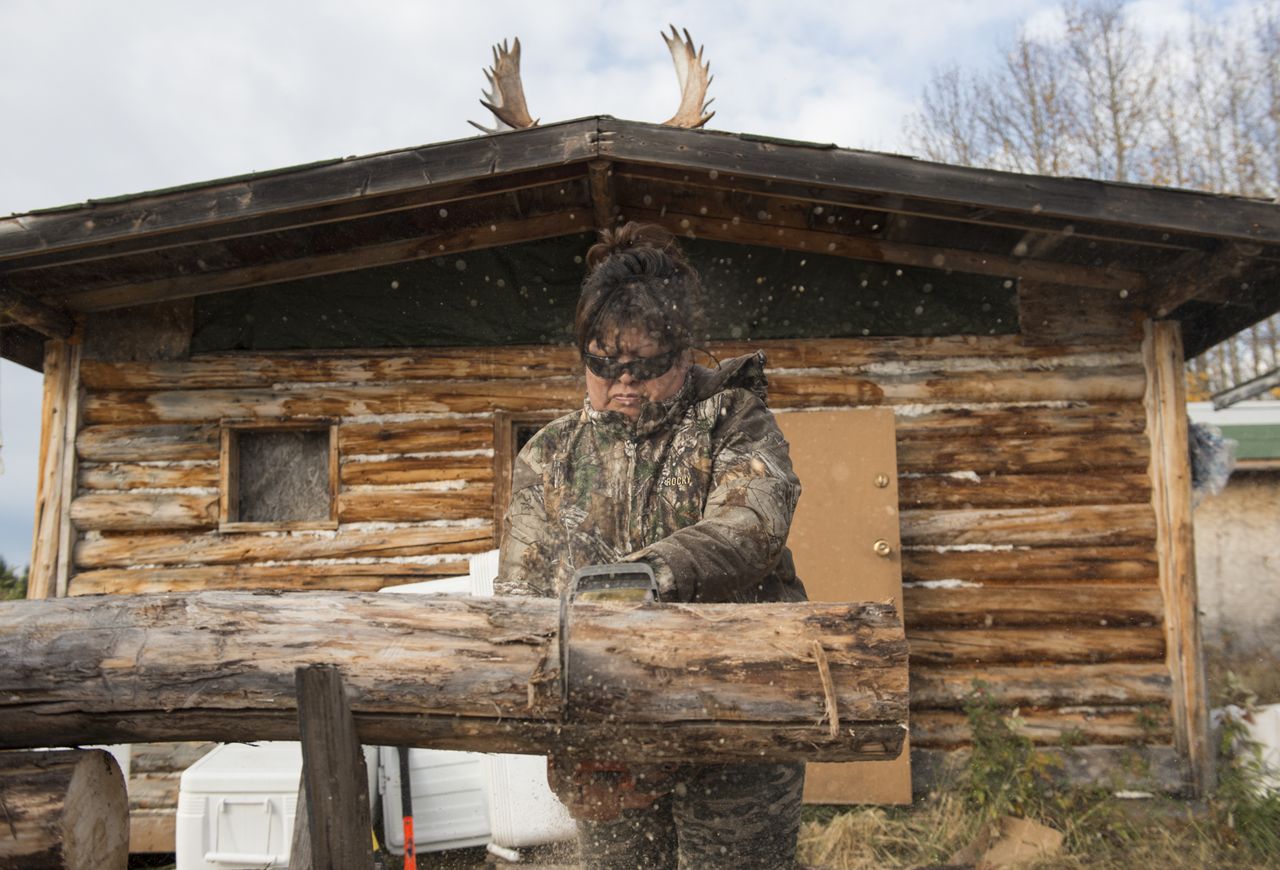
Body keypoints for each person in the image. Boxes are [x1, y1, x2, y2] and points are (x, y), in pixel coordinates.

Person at [495, 221, 806, 869]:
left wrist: (648, 576)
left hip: (733, 726)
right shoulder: (549, 457)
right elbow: (518, 602)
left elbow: (751, 528)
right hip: (612, 746)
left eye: (648, 364)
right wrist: (557, 726)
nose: (625, 383)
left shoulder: (732, 421)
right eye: (606, 364)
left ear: (684, 351)